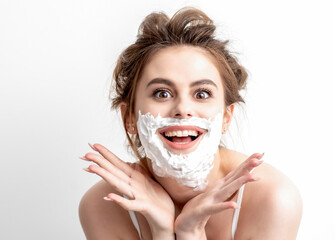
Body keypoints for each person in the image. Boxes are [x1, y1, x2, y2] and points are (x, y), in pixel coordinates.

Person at [78, 7, 302, 240]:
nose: (183, 109)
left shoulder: (273, 198)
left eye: (202, 94)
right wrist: (162, 231)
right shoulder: (103, 206)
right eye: (162, 93)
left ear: (226, 117)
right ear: (130, 118)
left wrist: (191, 233)